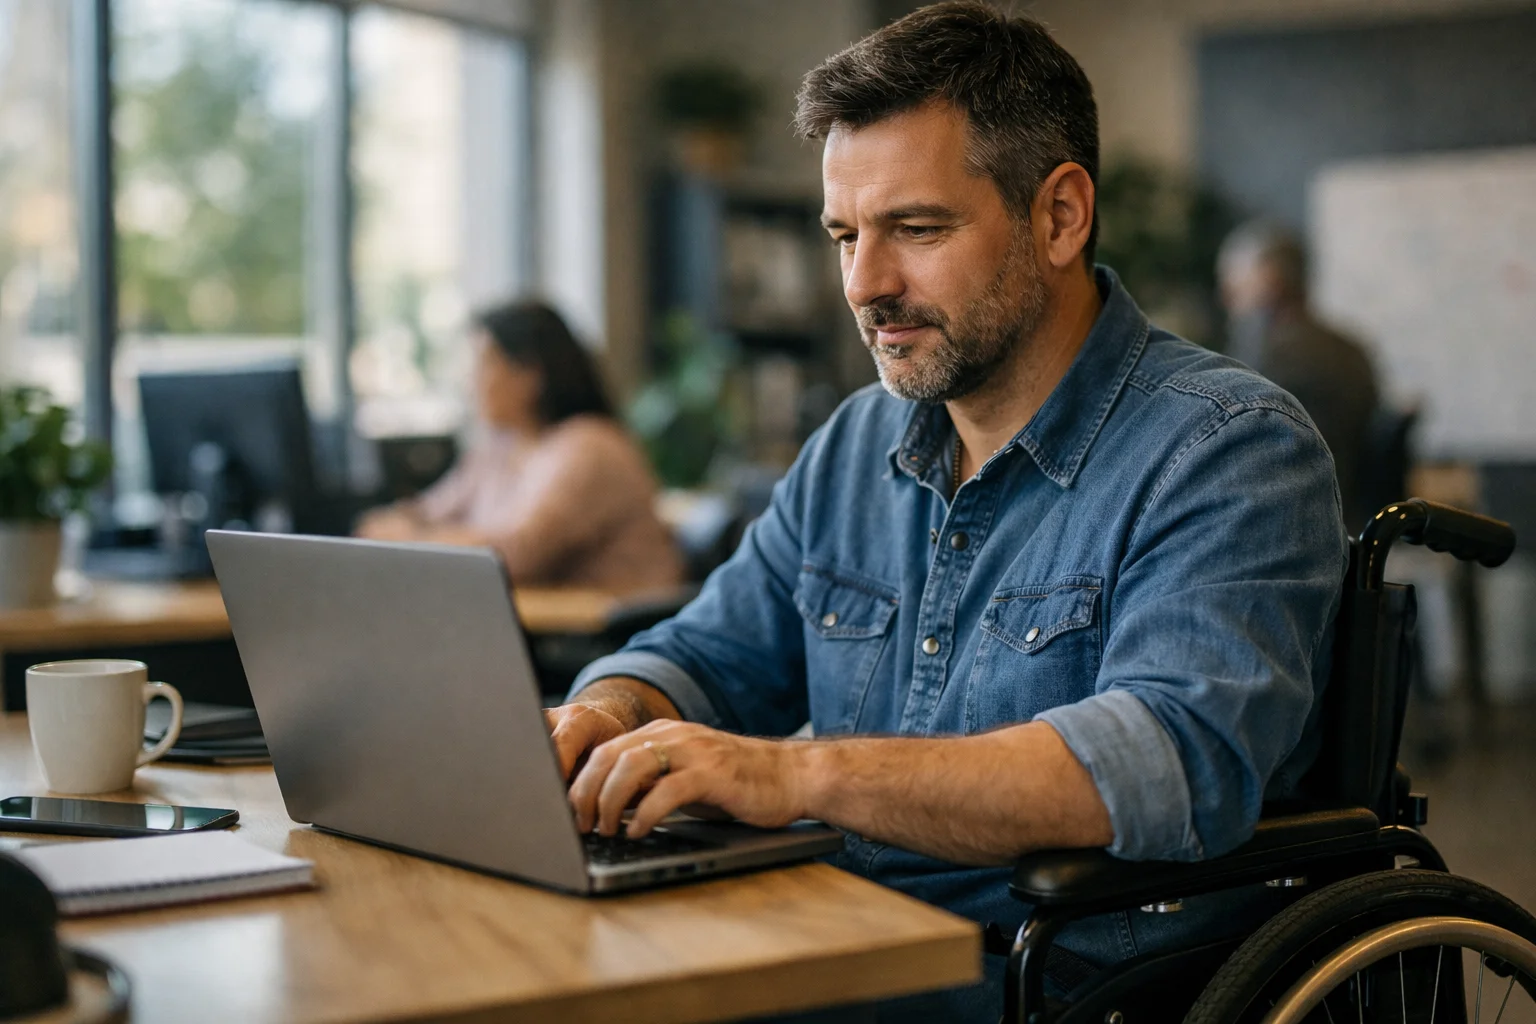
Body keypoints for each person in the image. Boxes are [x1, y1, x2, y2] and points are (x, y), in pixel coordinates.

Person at [546, 4, 1345, 1019]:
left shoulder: (1228, 446)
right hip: (841, 932)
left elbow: (1167, 760)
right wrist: (604, 717)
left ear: (1059, 215)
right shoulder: (852, 446)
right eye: (846, 235)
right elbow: (709, 654)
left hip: (1059, 977)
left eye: (916, 229)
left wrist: (798, 775)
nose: (867, 285)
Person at [355, 301, 684, 592]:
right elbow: (425, 513)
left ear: (531, 375)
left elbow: (516, 555)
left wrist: (410, 541)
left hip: (600, 639)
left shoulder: (588, 446)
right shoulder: (500, 448)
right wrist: (403, 529)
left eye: (484, 364)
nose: (471, 381)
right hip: (541, 629)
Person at [1218, 220, 1381, 531]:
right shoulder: (1351, 349)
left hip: (1290, 530)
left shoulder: (1262, 363)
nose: (1226, 301)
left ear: (1270, 280)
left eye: (1235, 288)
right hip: (1347, 520)